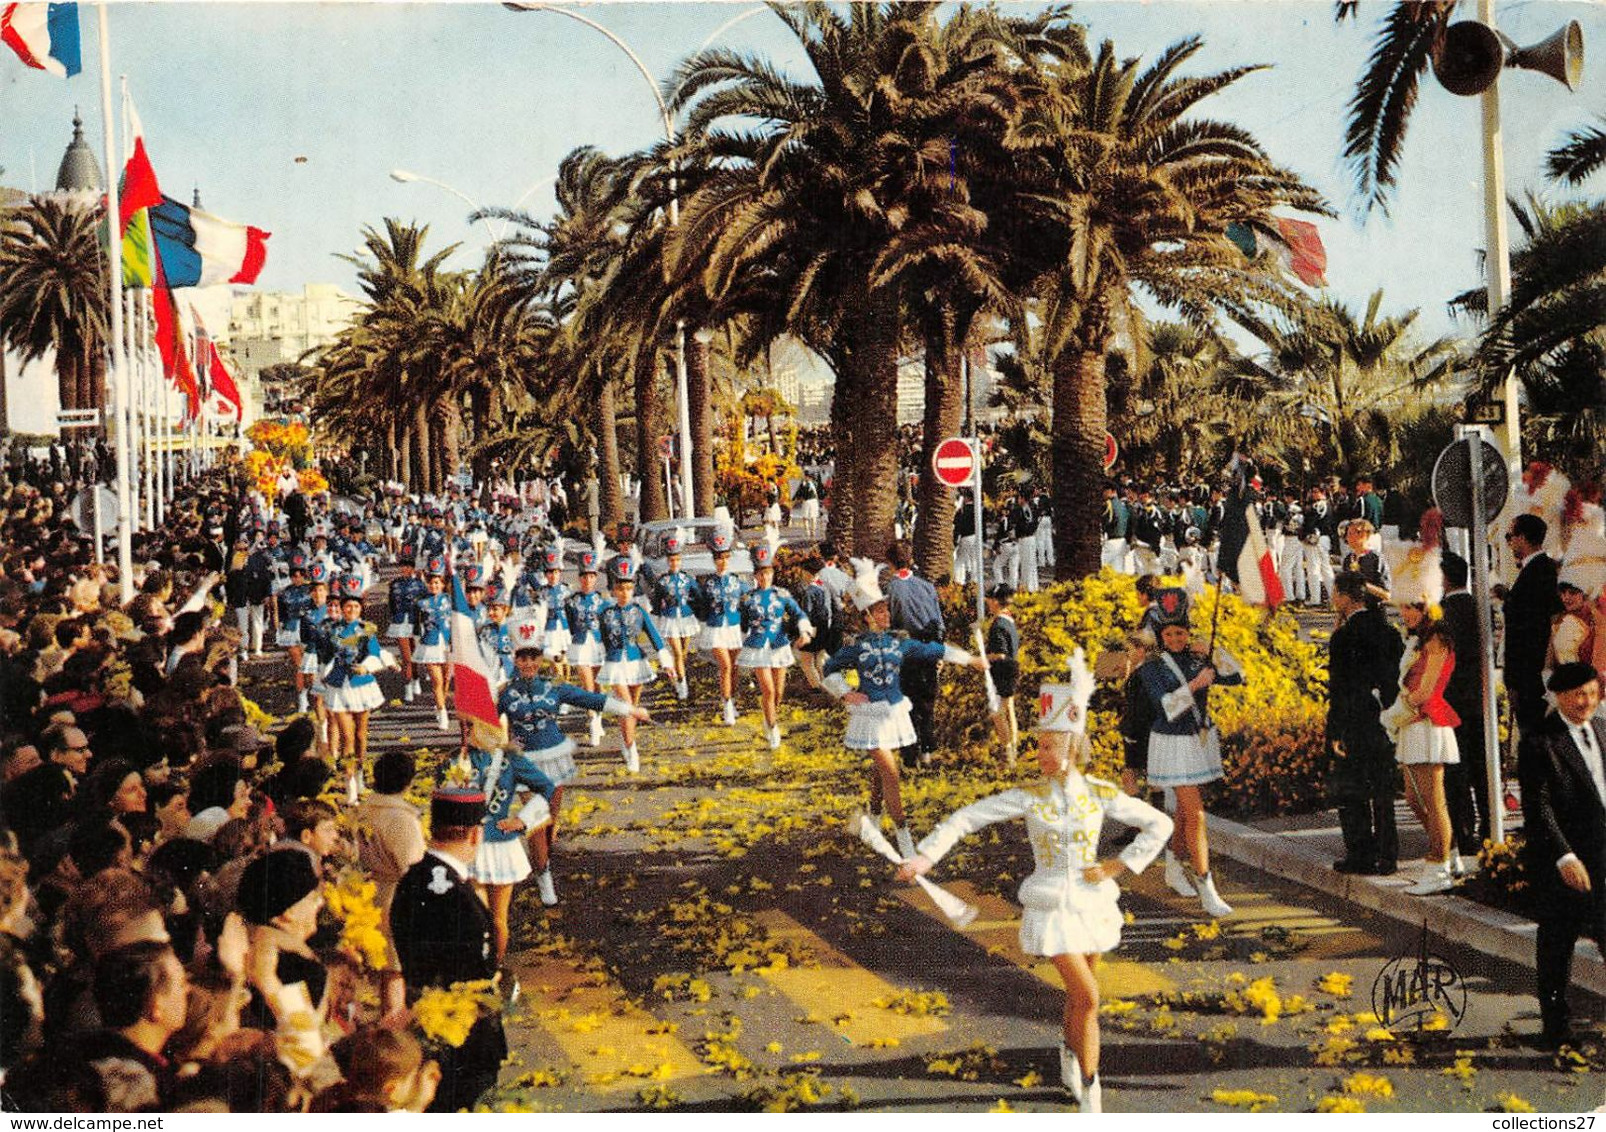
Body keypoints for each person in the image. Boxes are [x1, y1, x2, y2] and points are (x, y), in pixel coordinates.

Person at [897, 661, 1172, 1113]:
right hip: (1050, 903)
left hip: (1093, 902)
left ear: (1070, 749)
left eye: (1047, 746)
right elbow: (966, 818)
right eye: (1039, 746)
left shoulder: (1101, 793)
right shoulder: (1028, 796)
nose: (1039, 754)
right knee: (1088, 997)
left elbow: (1158, 824)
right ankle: (1091, 1095)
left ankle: (1070, 1053)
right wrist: (925, 856)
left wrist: (1118, 865)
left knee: (1080, 1001)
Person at [822, 559, 987, 859]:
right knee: (892, 774)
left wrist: (972, 660)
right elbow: (829, 669)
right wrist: (846, 693)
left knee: (882, 771)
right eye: (880, 610)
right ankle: (903, 833)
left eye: (887, 609)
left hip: (894, 715)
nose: (887, 614)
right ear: (867, 616)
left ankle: (871, 818)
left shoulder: (901, 642)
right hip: (870, 717)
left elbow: (935, 650)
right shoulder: (856, 646)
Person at [498, 645, 648, 906]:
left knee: (550, 819)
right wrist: (501, 744)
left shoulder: (554, 686)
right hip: (525, 763)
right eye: (523, 658)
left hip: (555, 757)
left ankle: (544, 857)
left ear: (540, 659)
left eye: (534, 657)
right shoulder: (504, 693)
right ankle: (544, 877)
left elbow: (592, 699)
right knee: (536, 821)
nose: (529, 663)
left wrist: (631, 711)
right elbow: (486, 723)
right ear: (516, 660)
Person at [390, 788, 507, 1113]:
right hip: (460, 1038)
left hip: (427, 1025)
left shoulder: (412, 880)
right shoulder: (456, 896)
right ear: (475, 834)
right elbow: (471, 974)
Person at [1134, 587, 1242, 918]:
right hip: (1172, 743)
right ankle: (1205, 885)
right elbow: (1167, 707)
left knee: (1183, 812)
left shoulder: (1198, 657)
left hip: (1199, 740)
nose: (1176, 638)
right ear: (1161, 635)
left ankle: (1173, 865)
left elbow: (1237, 676)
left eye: (1181, 632)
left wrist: (1213, 651)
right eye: (1170, 633)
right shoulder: (1151, 668)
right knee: (1195, 814)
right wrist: (1196, 685)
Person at [1519, 663, 1604, 1050]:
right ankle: (1555, 1026)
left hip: (1603, 857)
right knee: (1557, 943)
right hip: (1565, 860)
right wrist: (1564, 856)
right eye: (1576, 695)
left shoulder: (1602, 730)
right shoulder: (1539, 742)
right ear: (1557, 697)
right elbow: (1538, 808)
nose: (1585, 702)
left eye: (1591, 692)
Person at [1381, 518, 1462, 896]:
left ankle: (1438, 866)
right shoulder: (1417, 639)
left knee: (1434, 798)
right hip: (1412, 724)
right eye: (1402, 608)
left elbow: (1426, 692)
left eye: (1410, 608)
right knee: (1415, 799)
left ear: (1424, 605)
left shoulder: (1436, 641)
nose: (1405, 614)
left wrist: (1396, 713)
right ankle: (1448, 853)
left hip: (1427, 722)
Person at [1325, 572, 1404, 876]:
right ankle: (1388, 854)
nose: (1333, 599)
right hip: (1384, 719)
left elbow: (1339, 688)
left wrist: (1335, 731)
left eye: (1335, 593)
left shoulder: (1344, 637)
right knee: (1383, 791)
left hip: (1355, 722)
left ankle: (1360, 853)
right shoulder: (1388, 630)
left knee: (1353, 790)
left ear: (1346, 596)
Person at [459, 743, 557, 967]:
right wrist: (524, 819)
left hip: (480, 845)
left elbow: (546, 787)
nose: (468, 730)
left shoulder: (462, 759)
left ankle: (489, 969)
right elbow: (547, 788)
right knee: (489, 918)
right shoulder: (506, 759)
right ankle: (490, 970)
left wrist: (522, 820)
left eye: (471, 724)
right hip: (485, 844)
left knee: (488, 918)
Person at [354, 750, 425, 1022]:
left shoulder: (365, 810)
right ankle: (392, 1030)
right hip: (398, 894)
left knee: (385, 969)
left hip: (372, 890)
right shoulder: (401, 818)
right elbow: (412, 866)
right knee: (396, 970)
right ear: (408, 782)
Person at [598, 555, 673, 771]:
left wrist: (666, 662)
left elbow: (655, 637)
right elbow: (600, 640)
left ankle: (626, 739)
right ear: (613, 590)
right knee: (627, 706)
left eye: (629, 589)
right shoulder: (605, 614)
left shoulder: (639, 612)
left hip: (636, 662)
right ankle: (632, 750)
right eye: (620, 589)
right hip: (614, 665)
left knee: (630, 708)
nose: (624, 593)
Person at [1439, 551, 1490, 858]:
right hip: (1477, 698)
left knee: (1457, 770)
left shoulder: (1443, 612)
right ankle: (1488, 824)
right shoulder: (1476, 604)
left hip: (1452, 700)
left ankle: (1465, 830)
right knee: (1481, 767)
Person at [736, 544, 811, 751]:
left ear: (772, 574)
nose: (765, 578)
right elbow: (742, 625)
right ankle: (773, 726)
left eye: (768, 573)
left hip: (779, 646)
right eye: (761, 574)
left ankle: (770, 716)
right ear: (755, 575)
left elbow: (799, 614)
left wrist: (804, 632)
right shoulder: (748, 599)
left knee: (778, 692)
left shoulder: (782, 595)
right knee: (768, 691)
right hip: (758, 647)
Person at [1495, 512, 1561, 742]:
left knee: (1534, 739)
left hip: (1530, 675)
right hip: (1529, 674)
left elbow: (1530, 628)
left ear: (1522, 537)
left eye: (1509, 536)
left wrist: (1516, 680)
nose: (1509, 541)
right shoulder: (1538, 570)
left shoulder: (1539, 571)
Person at [885, 541, 944, 768]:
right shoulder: (926, 585)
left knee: (906, 703)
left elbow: (893, 622)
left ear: (890, 562)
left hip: (906, 649)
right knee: (927, 703)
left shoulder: (892, 588)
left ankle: (910, 753)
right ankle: (927, 751)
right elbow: (939, 620)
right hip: (929, 647)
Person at [320, 576, 385, 776]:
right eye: (348, 607)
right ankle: (351, 785)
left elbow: (375, 653)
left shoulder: (366, 630)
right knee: (347, 737)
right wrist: (323, 673)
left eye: (356, 607)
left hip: (361, 685)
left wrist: (367, 667)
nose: (352, 611)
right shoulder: (331, 629)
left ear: (360, 608)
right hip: (339, 685)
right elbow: (324, 655)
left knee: (360, 735)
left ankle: (360, 771)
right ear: (341, 607)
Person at [693, 527, 748, 727]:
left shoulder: (737, 582)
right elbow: (698, 603)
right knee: (724, 666)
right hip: (715, 629)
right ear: (714, 560)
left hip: (734, 628)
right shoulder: (707, 584)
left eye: (725, 557)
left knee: (734, 667)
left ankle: (732, 700)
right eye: (718, 558)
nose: (722, 562)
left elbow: (750, 599)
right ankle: (726, 706)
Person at [564, 551, 608, 749]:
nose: (587, 580)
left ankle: (597, 718)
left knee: (598, 687)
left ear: (596, 578)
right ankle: (592, 723)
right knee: (587, 686)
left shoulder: (603, 601)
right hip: (580, 645)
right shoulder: (572, 602)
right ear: (579, 578)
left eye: (591, 576)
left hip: (598, 645)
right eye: (584, 576)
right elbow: (570, 625)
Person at [650, 532, 698, 701]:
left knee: (683, 653)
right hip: (670, 618)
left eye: (677, 560)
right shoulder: (662, 581)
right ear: (667, 561)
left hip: (686, 617)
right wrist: (657, 614)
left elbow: (697, 595)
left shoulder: (688, 579)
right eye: (671, 560)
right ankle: (682, 685)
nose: (675, 563)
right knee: (677, 652)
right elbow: (656, 601)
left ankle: (679, 674)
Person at [413, 557, 454, 733]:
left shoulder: (450, 600)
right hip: (429, 643)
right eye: (431, 583)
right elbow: (416, 625)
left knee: (446, 679)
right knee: (436, 680)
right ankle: (442, 711)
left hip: (447, 642)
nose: (434, 586)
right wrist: (417, 640)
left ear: (443, 584)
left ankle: (440, 703)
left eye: (437, 583)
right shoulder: (421, 603)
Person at [983, 584, 1020, 766]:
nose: (988, 604)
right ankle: (1013, 746)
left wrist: (983, 657)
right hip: (1012, 668)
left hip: (1002, 671)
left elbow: (1000, 653)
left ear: (996, 601)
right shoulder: (1009, 620)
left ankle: (1008, 752)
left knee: (998, 713)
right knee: (1009, 710)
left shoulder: (998, 624)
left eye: (989, 600)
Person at [386, 550, 426, 705]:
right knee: (406, 658)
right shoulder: (394, 584)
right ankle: (407, 685)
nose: (405, 569)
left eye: (408, 566)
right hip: (399, 623)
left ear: (413, 568)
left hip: (415, 622)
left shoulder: (420, 585)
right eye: (402, 566)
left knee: (415, 656)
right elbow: (391, 605)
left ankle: (416, 679)